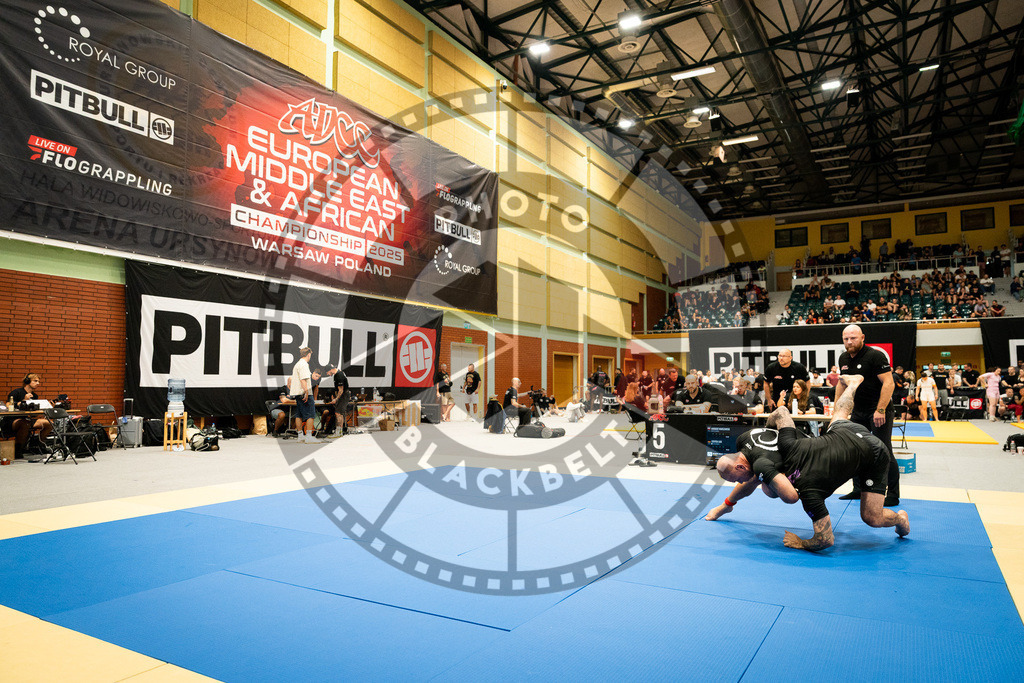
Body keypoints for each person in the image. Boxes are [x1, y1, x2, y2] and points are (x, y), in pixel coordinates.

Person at [708, 375, 909, 550]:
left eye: (736, 480)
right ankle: (853, 385)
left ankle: (900, 518)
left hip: (873, 454)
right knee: (838, 417)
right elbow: (781, 413)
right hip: (843, 433)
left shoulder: (806, 489)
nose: (739, 482)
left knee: (872, 517)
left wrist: (800, 542)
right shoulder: (773, 445)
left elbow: (825, 538)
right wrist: (771, 430)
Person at [835, 325, 899, 506]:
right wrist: (837, 409)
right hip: (857, 411)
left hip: (878, 410)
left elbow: (889, 383)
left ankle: (893, 494)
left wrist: (880, 410)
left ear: (862, 337)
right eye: (846, 338)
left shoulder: (875, 356)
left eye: (853, 338)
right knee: (855, 450)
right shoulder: (843, 358)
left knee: (884, 451)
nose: (849, 342)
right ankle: (858, 489)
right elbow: (841, 384)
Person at [4, 374, 53, 460]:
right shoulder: (16, 392)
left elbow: (33, 414)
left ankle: (38, 445)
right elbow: (8, 405)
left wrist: (47, 406)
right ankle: (18, 449)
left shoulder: (35, 396)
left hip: (27, 419)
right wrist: (23, 401)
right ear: (27, 382)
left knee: (49, 423)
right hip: (12, 420)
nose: (38, 383)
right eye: (35, 381)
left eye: (38, 381)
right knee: (25, 424)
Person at [289, 347, 320, 444]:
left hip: (298, 393)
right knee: (311, 414)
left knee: (299, 415)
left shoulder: (297, 364)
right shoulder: (304, 364)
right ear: (309, 354)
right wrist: (306, 392)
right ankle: (309, 436)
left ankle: (300, 436)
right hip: (304, 393)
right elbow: (303, 379)